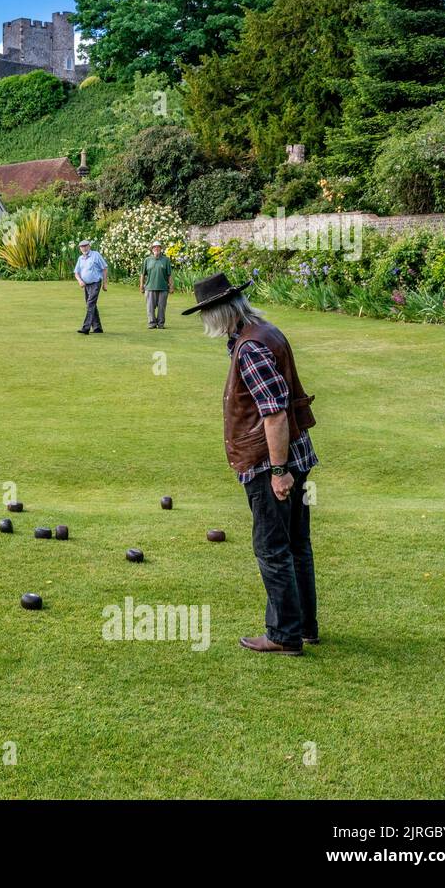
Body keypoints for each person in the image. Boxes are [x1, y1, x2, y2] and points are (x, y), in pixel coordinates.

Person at [183, 273, 320, 656]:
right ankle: (305, 626)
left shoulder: (250, 349)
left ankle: (283, 634)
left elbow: (274, 414)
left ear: (219, 312)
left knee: (272, 548)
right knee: (296, 545)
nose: (204, 322)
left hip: (270, 462)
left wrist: (279, 472)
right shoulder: (263, 330)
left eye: (206, 313)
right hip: (297, 452)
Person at [73, 239, 108, 334]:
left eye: (85, 246)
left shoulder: (96, 255)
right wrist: (80, 281)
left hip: (96, 283)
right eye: (82, 247)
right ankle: (97, 328)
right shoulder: (80, 258)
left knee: (90, 304)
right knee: (92, 305)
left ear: (89, 246)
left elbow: (104, 268)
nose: (84, 248)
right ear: (80, 249)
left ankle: (86, 328)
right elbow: (76, 272)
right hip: (86, 285)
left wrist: (104, 284)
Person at [140, 240, 174, 329]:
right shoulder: (147, 260)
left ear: (161, 249)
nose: (156, 248)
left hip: (163, 288)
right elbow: (142, 274)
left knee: (162, 308)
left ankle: (161, 324)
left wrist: (171, 287)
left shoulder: (166, 260)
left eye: (158, 247)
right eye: (154, 247)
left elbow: (169, 274)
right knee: (150, 307)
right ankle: (152, 323)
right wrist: (141, 285)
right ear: (152, 249)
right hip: (150, 287)